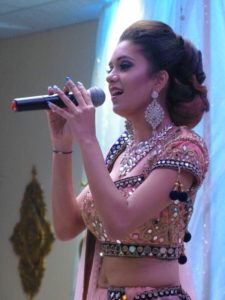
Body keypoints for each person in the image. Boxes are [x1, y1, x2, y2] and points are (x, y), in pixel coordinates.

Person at [46, 20, 209, 300]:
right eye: (110, 68)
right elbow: (65, 227)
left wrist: (88, 138)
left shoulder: (184, 147)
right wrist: (62, 147)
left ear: (159, 79)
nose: (110, 77)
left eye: (124, 66)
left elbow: (120, 221)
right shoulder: (121, 149)